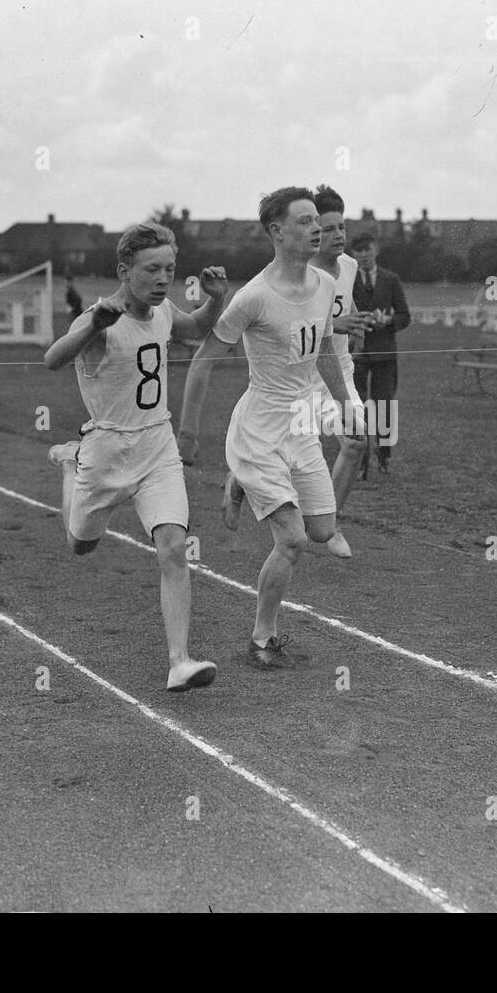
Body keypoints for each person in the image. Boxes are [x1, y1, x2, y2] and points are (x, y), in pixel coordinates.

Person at [177, 186, 365, 669]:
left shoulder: (325, 286)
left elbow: (324, 347)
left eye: (316, 221)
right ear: (277, 233)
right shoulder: (253, 297)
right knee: (293, 539)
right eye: (304, 222)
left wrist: (343, 403)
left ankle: (239, 481)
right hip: (260, 426)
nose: (316, 228)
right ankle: (263, 636)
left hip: (302, 422)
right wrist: (190, 433)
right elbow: (202, 362)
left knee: (322, 531)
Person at [44, 222, 229, 691]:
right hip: (106, 451)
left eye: (169, 268)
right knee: (80, 545)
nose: (163, 277)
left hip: (156, 446)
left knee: (172, 545)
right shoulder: (99, 319)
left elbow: (200, 327)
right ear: (125, 270)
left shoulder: (164, 310)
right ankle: (70, 464)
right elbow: (52, 359)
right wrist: (92, 325)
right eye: (152, 269)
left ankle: (179, 661)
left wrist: (216, 297)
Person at [305, 184, 375, 557]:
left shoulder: (348, 267)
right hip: (302, 378)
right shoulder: (301, 275)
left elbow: (343, 322)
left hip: (340, 373)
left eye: (341, 227)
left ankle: (329, 525)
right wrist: (339, 325)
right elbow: (301, 334)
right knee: (294, 460)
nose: (338, 236)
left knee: (356, 441)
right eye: (328, 229)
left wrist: (355, 330)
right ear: (314, 232)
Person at [351, 234, 410, 475]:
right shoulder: (347, 280)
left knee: (383, 406)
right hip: (357, 352)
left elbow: (405, 316)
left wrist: (387, 320)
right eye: (358, 251)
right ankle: (360, 459)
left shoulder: (391, 279)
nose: (363, 255)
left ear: (376, 250)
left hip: (385, 353)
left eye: (367, 249)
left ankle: (383, 456)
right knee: (357, 407)